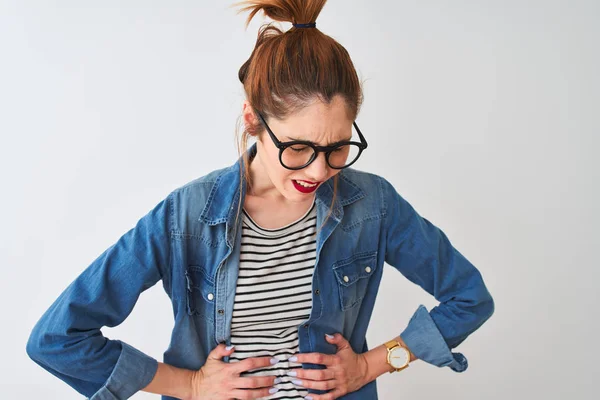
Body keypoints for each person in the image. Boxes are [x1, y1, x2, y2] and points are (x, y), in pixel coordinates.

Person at [26, 1, 495, 399]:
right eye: (297, 148)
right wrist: (188, 385)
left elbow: (469, 297)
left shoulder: (373, 204)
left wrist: (372, 365)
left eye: (336, 147)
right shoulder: (186, 216)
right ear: (252, 119)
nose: (319, 170)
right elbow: (58, 338)